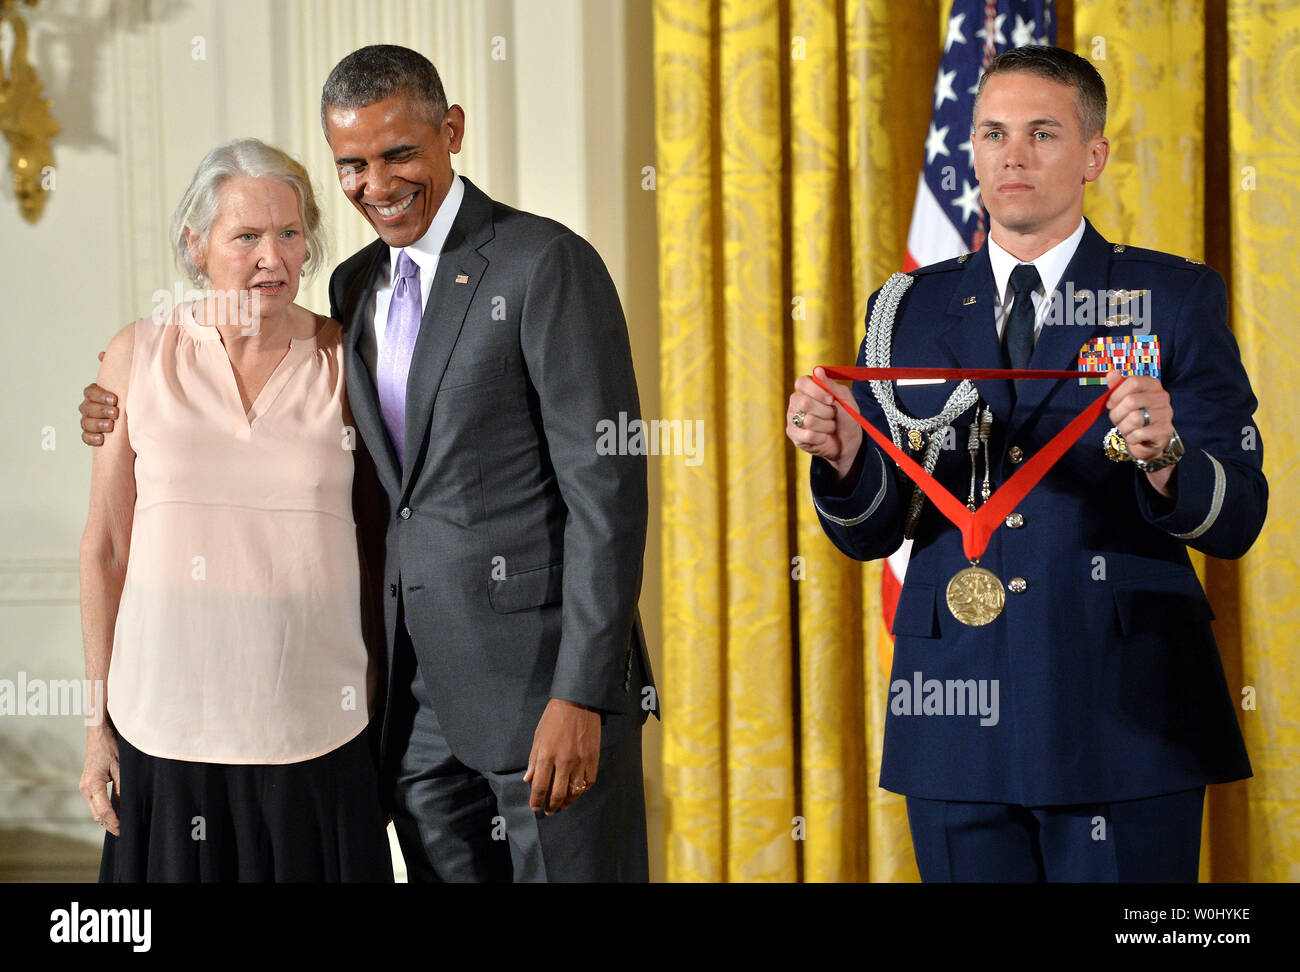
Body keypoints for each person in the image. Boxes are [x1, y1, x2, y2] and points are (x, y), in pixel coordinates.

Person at [83, 45, 655, 882]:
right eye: (352, 164)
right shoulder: (356, 290)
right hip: (412, 721)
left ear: (451, 132)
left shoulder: (544, 264)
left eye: (399, 154)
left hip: (540, 693)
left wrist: (584, 692)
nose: (375, 183)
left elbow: (607, 493)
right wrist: (106, 404)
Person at [785, 46, 1265, 882]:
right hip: (955, 709)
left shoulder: (1170, 298)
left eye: (1043, 133)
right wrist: (848, 456)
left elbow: (1241, 515)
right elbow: (874, 531)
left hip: (1123, 713)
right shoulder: (909, 306)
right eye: (993, 133)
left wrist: (1166, 458)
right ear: (967, 149)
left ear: (1093, 156)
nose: (1013, 155)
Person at [78, 138, 393, 882]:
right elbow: (105, 551)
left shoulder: (349, 359)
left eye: (289, 233)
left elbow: (383, 543)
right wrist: (95, 727)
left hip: (316, 732)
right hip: (165, 735)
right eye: (246, 236)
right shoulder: (136, 355)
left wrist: (386, 711)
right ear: (196, 244)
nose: (272, 257)